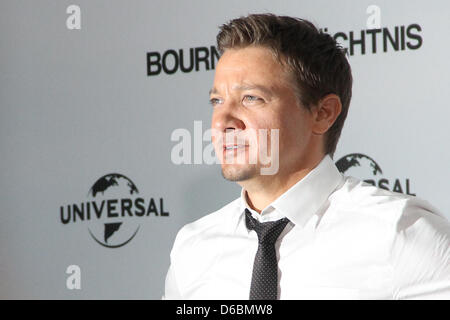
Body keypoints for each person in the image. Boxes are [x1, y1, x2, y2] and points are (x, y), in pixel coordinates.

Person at [163, 14, 450, 299]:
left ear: (323, 114)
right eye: (217, 101)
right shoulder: (194, 248)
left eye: (251, 98)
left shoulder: (400, 233)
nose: (221, 121)